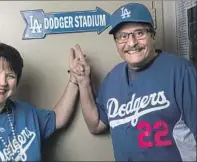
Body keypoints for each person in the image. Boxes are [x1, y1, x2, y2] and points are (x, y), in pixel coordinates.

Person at [70, 3, 196, 161]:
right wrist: (83, 83)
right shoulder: (112, 79)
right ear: (116, 42)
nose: (131, 43)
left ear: (152, 34)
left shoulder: (181, 72)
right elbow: (95, 125)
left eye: (140, 33)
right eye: (123, 36)